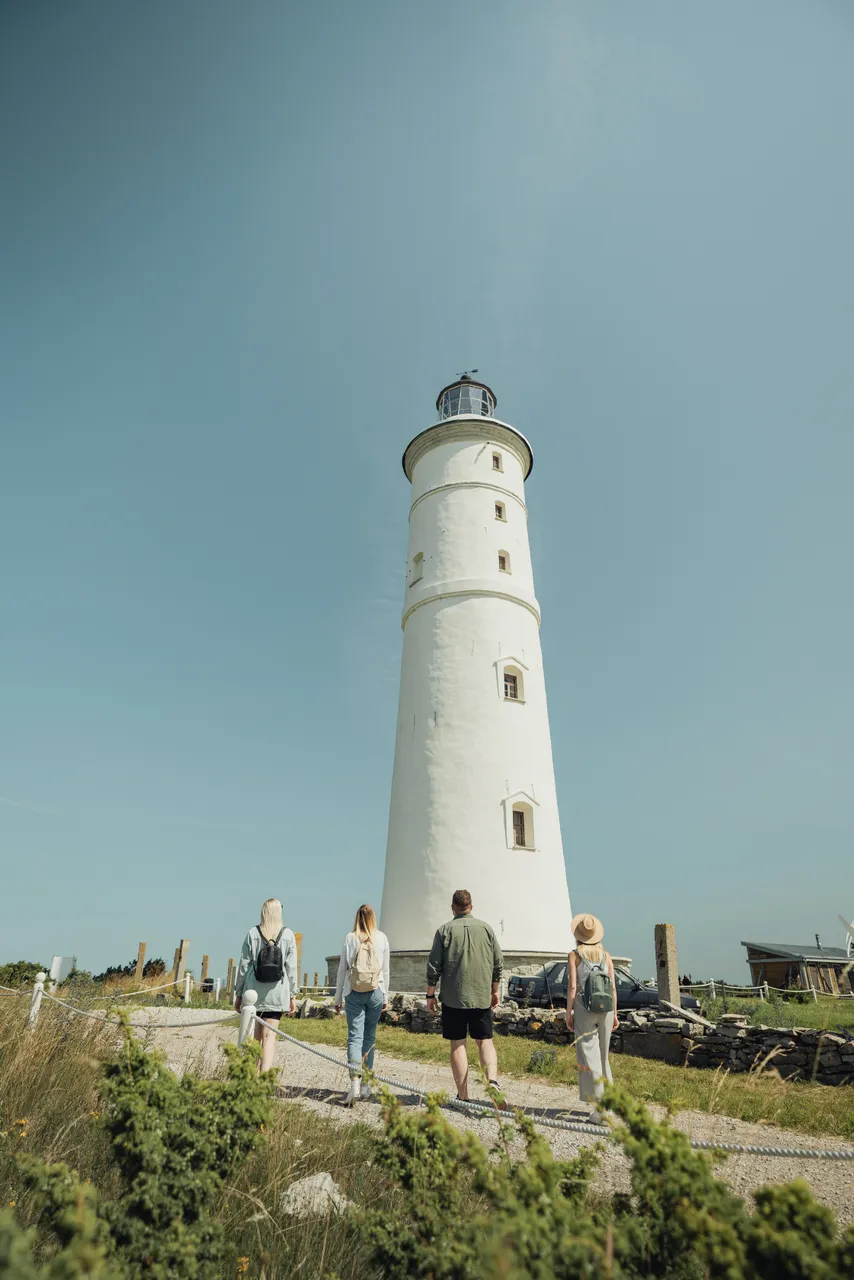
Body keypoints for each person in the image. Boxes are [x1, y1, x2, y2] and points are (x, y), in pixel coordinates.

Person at [426, 889, 503, 1102]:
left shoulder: (444, 931)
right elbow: (498, 963)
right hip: (481, 995)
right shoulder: (487, 929)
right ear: (471, 906)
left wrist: (430, 995)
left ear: (453, 907)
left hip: (453, 997)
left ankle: (463, 1095)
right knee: (485, 1041)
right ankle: (493, 1083)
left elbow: (434, 966)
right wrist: (494, 990)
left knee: (458, 1044)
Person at [234, 898, 298, 1073]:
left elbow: (243, 966)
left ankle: (251, 1075)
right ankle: (264, 1079)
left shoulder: (252, 934)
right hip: (277, 993)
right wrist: (293, 995)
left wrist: (239, 994)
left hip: (253, 992)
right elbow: (291, 968)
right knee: (270, 1037)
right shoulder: (288, 935)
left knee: (255, 1036)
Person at [334, 904, 390, 1104]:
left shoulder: (350, 938)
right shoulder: (382, 938)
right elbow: (385, 970)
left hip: (353, 990)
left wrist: (338, 997)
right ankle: (366, 1085)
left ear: (357, 917)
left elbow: (342, 969)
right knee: (370, 1037)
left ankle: (354, 1084)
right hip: (376, 991)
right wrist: (385, 996)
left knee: (354, 1038)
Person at [565, 913, 618, 1124]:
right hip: (606, 1009)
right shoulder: (606, 956)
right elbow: (613, 987)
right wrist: (615, 1013)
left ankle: (602, 1108)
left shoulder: (574, 955)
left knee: (589, 1055)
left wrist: (569, 1012)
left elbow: (572, 987)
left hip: (584, 1008)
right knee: (604, 1057)